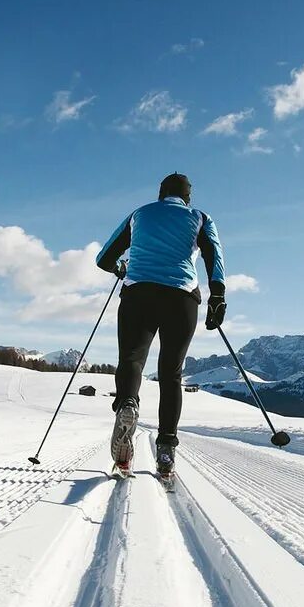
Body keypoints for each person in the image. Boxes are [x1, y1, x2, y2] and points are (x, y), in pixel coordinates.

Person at [96, 172, 226, 479]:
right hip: (181, 299)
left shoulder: (139, 214)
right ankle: (166, 449)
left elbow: (103, 258)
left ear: (160, 193)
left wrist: (120, 268)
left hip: (138, 293)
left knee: (131, 359)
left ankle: (128, 402)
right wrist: (217, 296)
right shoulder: (200, 218)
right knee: (171, 373)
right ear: (188, 197)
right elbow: (214, 257)